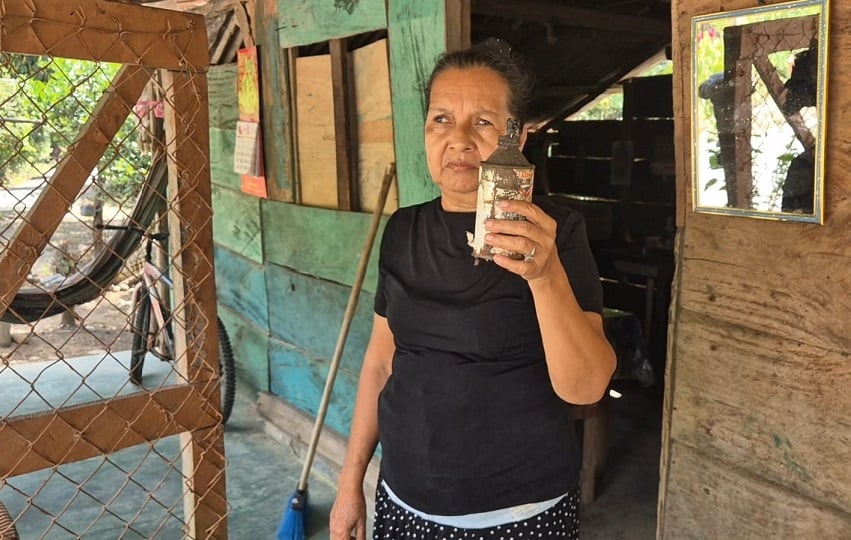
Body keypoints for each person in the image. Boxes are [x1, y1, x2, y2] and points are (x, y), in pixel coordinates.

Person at [329, 39, 616, 540]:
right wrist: (351, 480)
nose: (458, 139)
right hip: (403, 501)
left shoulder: (555, 233)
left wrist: (544, 276)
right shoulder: (403, 231)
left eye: (482, 121)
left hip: (522, 515)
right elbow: (380, 362)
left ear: (518, 137)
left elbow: (587, 388)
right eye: (441, 119)